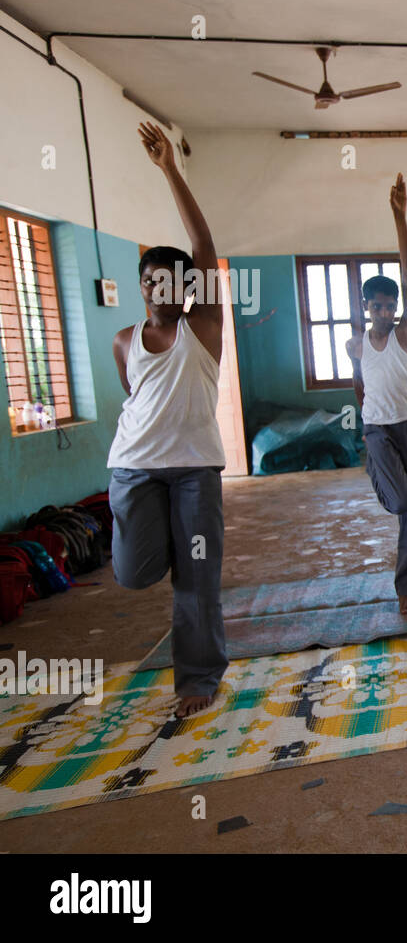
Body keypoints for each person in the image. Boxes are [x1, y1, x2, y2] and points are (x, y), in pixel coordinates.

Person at [108, 122, 228, 718]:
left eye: (177, 280)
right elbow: (132, 398)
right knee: (134, 573)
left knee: (196, 581)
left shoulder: (201, 329)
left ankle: (197, 680)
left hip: (195, 476)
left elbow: (203, 242)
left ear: (190, 288)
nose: (165, 287)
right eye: (153, 278)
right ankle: (162, 554)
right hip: (133, 473)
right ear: (142, 284)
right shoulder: (124, 339)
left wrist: (169, 170)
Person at [345, 173, 407, 614]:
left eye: (389, 305)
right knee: (399, 499)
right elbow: (359, 384)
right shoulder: (355, 344)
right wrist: (366, 420)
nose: (383, 311)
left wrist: (400, 216)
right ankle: (375, 465)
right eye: (376, 305)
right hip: (376, 427)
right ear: (366, 308)